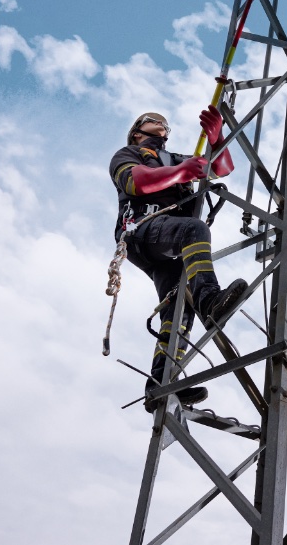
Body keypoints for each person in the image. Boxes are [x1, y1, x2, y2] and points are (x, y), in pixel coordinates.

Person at [109, 105, 245, 411]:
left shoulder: (174, 159)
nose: (163, 125)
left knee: (178, 309)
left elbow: (221, 168)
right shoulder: (127, 153)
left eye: (165, 124)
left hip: (165, 241)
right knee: (193, 231)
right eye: (155, 121)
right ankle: (210, 300)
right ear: (137, 131)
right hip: (143, 230)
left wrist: (217, 137)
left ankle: (161, 384)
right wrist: (181, 173)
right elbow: (137, 182)